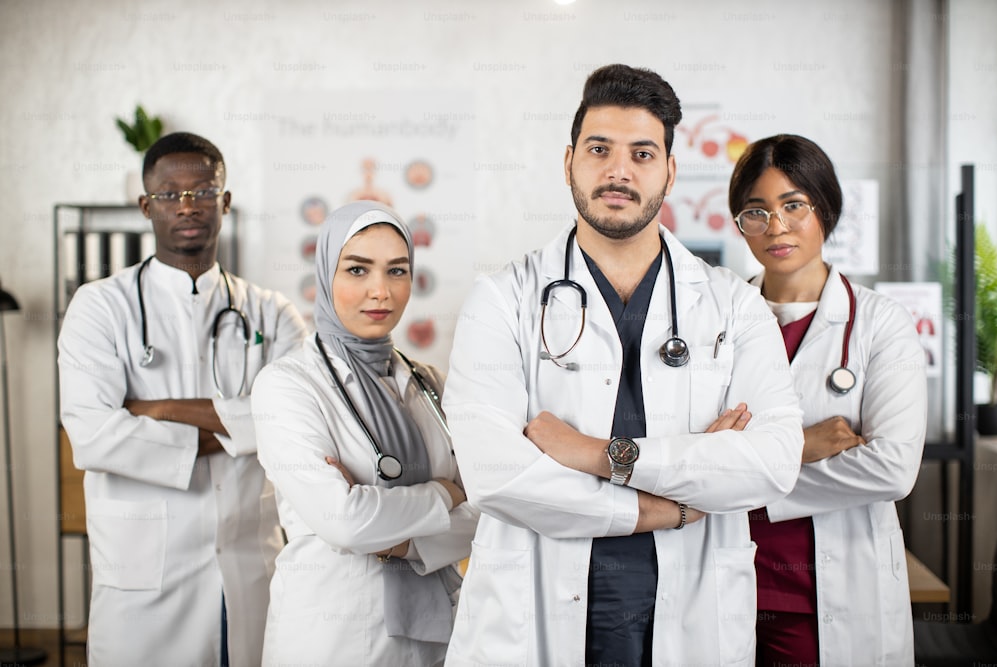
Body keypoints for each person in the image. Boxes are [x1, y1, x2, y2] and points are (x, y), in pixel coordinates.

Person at [443, 64, 805, 667]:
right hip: (534, 615)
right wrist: (671, 508)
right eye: (599, 149)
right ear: (568, 164)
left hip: (693, 616)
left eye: (642, 153)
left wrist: (598, 454)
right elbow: (495, 474)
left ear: (670, 170)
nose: (619, 170)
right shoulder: (502, 298)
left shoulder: (733, 304)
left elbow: (773, 463)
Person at [58, 132, 307, 666]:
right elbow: (96, 439)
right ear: (146, 206)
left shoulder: (272, 313)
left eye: (203, 190)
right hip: (145, 580)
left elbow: (300, 424)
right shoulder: (99, 308)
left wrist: (153, 410)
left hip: (247, 567)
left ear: (226, 201)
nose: (188, 205)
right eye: (170, 194)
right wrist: (246, 425)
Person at [728, 134, 927, 666]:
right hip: (725, 589)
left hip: (826, 602)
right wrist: (800, 445)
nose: (776, 226)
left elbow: (891, 469)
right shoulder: (718, 321)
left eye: (794, 205)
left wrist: (745, 477)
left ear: (826, 209)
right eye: (756, 211)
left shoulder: (880, 324)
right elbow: (684, 449)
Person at [252, 201, 478, 666]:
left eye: (397, 271)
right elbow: (344, 520)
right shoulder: (288, 384)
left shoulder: (430, 384)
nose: (381, 291)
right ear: (325, 274)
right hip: (333, 636)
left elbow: (486, 515)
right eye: (357, 270)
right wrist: (445, 492)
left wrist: (399, 541)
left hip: (439, 633)